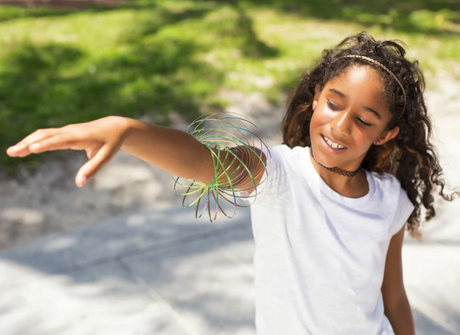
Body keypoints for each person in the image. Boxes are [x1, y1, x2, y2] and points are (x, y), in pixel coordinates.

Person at [5, 31, 459, 334]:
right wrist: (127, 130)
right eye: (334, 103)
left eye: (364, 119)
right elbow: (205, 161)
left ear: (387, 133)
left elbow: (393, 297)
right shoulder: (279, 174)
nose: (340, 126)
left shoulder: (388, 201)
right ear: (316, 95)